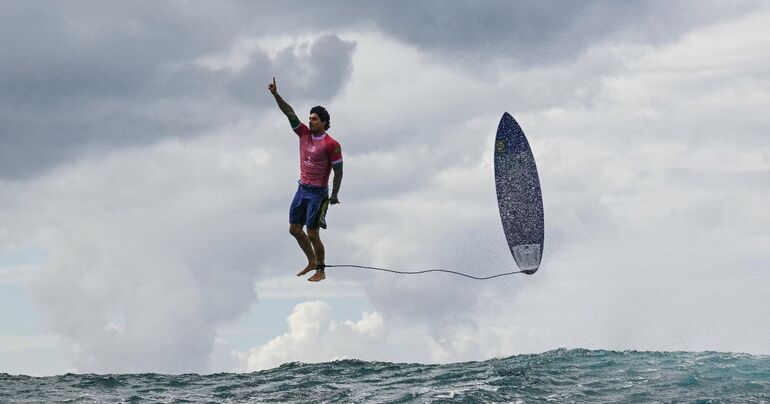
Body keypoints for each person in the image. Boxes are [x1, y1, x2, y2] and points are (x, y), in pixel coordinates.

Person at [268, 77, 343, 282]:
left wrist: (334, 194)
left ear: (325, 123)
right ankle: (311, 261)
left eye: (315, 119)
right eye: (310, 118)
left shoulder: (331, 144)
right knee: (294, 229)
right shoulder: (303, 134)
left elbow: (339, 171)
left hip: (318, 193)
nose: (310, 121)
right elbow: (289, 113)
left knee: (312, 233)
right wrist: (276, 95)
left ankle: (321, 269)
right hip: (302, 189)